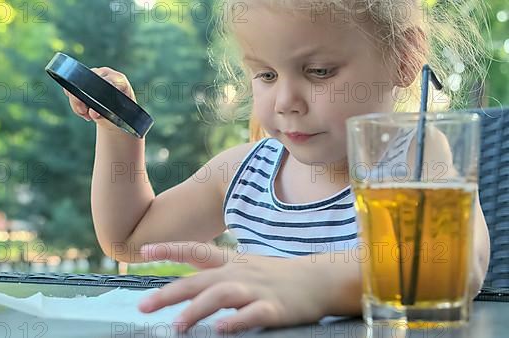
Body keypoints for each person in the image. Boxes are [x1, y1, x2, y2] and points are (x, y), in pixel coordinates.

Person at [64, 0, 491, 333]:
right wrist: (119, 131)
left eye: (319, 71)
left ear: (404, 56)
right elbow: (129, 240)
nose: (285, 102)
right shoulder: (244, 173)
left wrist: (314, 283)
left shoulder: (414, 156)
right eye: (266, 75)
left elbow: (452, 264)